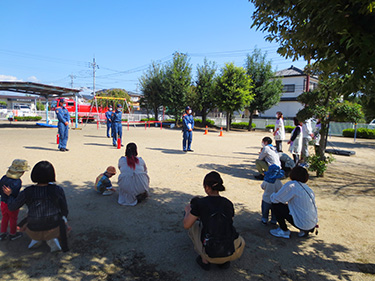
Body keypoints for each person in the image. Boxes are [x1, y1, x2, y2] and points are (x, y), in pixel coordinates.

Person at [183, 171, 245, 271]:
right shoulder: (228, 203)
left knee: (193, 227)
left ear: (207, 187)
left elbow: (186, 225)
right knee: (224, 228)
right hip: (234, 251)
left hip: (211, 252)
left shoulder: (200, 203)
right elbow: (230, 222)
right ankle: (224, 261)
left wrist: (187, 211)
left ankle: (205, 260)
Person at [3, 161, 69, 252]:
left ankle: (36, 239)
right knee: (59, 217)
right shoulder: (57, 189)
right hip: (54, 229)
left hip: (33, 230)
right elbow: (64, 209)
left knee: (29, 214)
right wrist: (64, 219)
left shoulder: (28, 191)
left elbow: (12, 207)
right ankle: (51, 239)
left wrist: (9, 195)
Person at [269, 166, 318, 239]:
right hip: (312, 222)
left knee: (276, 204)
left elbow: (276, 199)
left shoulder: (292, 185)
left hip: (302, 223)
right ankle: (305, 230)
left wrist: (272, 194)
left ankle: (284, 230)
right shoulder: (308, 188)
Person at [0, 159, 30, 241]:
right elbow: (15, 195)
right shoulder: (17, 181)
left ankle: (2, 233)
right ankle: (13, 233)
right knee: (13, 219)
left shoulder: (4, 178)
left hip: (3, 202)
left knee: (5, 217)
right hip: (12, 203)